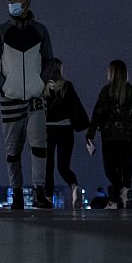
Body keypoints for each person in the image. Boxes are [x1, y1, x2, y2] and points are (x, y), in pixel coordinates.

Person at [0, 0, 54, 209]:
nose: (11, 2)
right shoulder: (1, 31)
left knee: (39, 145)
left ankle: (39, 191)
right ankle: (16, 193)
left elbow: (50, 60)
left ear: (27, 1)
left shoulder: (40, 30)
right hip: (11, 98)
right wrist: (5, 86)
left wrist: (40, 82)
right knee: (13, 149)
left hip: (35, 98)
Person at [86, 60, 132, 209]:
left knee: (110, 169)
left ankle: (117, 195)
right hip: (129, 136)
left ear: (111, 73)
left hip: (110, 136)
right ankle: (125, 191)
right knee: (126, 165)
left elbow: (98, 113)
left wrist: (90, 132)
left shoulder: (106, 91)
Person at [43, 59, 89, 209]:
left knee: (47, 166)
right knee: (63, 166)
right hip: (66, 130)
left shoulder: (43, 87)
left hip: (47, 130)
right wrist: (85, 126)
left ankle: (48, 198)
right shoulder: (67, 86)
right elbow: (77, 107)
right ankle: (74, 186)